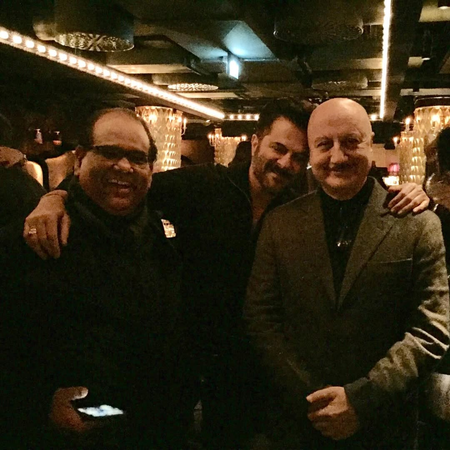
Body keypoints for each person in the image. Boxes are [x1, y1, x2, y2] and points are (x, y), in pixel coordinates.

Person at [22, 99, 429, 449]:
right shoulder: (201, 185)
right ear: (255, 142)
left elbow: (356, 196)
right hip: (194, 369)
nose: (286, 162)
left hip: (267, 377)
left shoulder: (302, 206)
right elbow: (125, 183)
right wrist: (55, 197)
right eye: (278, 148)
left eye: (299, 156)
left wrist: (414, 191)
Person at [244, 98, 449, 449]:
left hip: (385, 424)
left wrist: (361, 399)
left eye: (351, 142)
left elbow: (431, 328)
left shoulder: (419, 224)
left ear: (370, 144)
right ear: (311, 153)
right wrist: (314, 398)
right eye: (324, 144)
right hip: (298, 423)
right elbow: (260, 318)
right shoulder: (279, 224)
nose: (337, 157)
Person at [1, 108, 185, 449]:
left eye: (137, 158)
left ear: (151, 169)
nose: (124, 167)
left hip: (153, 432)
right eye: (110, 152)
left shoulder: (167, 235)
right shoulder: (33, 239)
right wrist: (37, 404)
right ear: (80, 158)